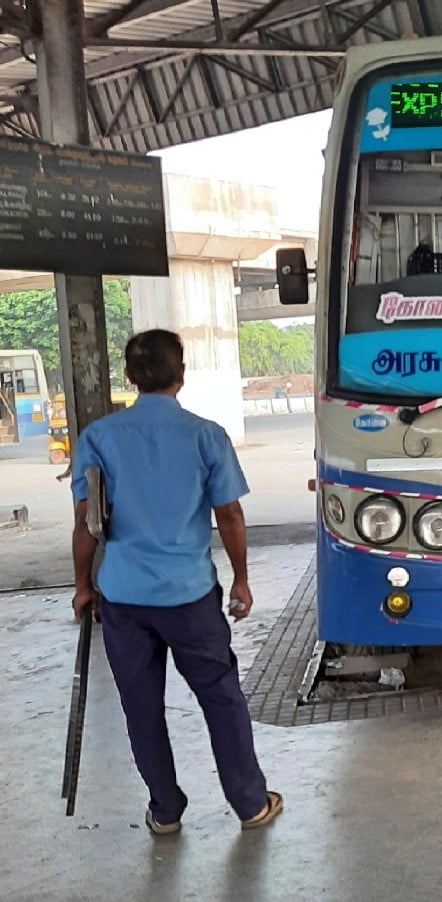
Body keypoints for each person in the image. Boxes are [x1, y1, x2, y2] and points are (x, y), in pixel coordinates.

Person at [70, 329, 282, 835]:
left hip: (123, 598)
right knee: (220, 697)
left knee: (141, 706)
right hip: (189, 597)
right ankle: (250, 803)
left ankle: (165, 810)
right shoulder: (205, 435)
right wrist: (241, 581)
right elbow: (229, 514)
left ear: (128, 377)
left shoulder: (99, 437)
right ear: (180, 374)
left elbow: (86, 522)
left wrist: (83, 585)